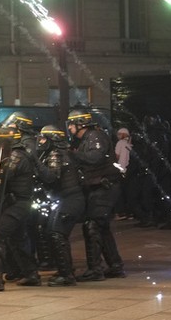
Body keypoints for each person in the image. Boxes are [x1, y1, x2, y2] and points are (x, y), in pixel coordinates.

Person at [0, 122, 40, 291]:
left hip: (18, 204)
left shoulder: (16, 156)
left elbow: (5, 175)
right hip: (16, 203)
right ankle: (31, 274)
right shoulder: (13, 154)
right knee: (17, 240)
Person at [68, 109, 126, 281]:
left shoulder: (95, 136)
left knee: (92, 225)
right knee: (101, 227)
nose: (70, 127)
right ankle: (115, 265)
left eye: (72, 124)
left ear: (80, 124)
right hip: (98, 187)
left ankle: (95, 269)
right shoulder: (87, 138)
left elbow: (94, 158)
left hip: (104, 187)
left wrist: (72, 154)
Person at [34, 125, 86, 286]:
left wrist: (35, 162)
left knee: (57, 233)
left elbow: (51, 177)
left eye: (44, 138)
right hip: (69, 198)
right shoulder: (62, 153)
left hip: (71, 199)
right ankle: (65, 270)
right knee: (53, 231)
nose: (41, 141)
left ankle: (67, 275)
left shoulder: (56, 154)